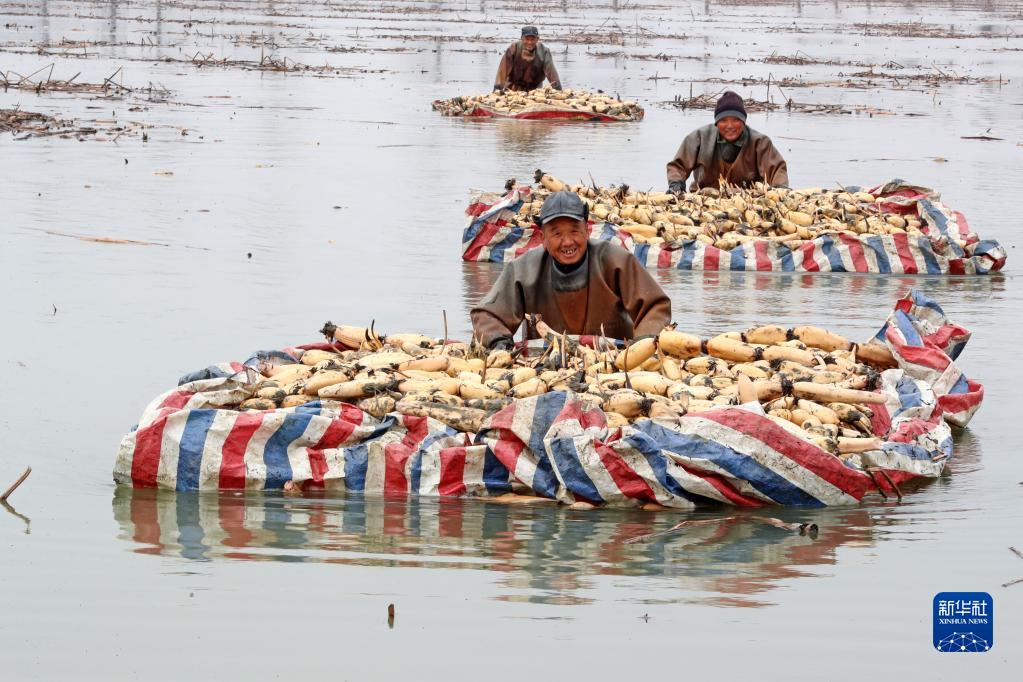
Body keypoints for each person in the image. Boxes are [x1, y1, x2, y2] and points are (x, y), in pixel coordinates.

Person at [471, 192, 672, 349]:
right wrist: (498, 342)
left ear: (587, 229)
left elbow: (655, 306)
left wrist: (644, 343)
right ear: (542, 238)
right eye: (557, 233)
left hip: (611, 363)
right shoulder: (523, 269)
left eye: (574, 230)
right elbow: (487, 315)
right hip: (545, 365)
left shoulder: (616, 260)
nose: (567, 242)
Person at [666, 91, 789, 192]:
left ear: (743, 121)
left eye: (735, 120)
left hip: (749, 201)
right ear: (716, 122)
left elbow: (777, 170)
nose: (729, 126)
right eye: (723, 120)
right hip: (704, 198)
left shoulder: (761, 142)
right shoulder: (699, 137)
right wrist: (676, 183)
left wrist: (780, 189)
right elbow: (677, 166)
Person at [493, 26, 562, 93]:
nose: (530, 42)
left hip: (535, 91)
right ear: (522, 39)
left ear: (537, 39)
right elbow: (502, 70)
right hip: (512, 89)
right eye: (527, 39)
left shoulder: (544, 51)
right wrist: (497, 89)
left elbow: (552, 73)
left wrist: (558, 90)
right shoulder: (514, 48)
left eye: (532, 39)